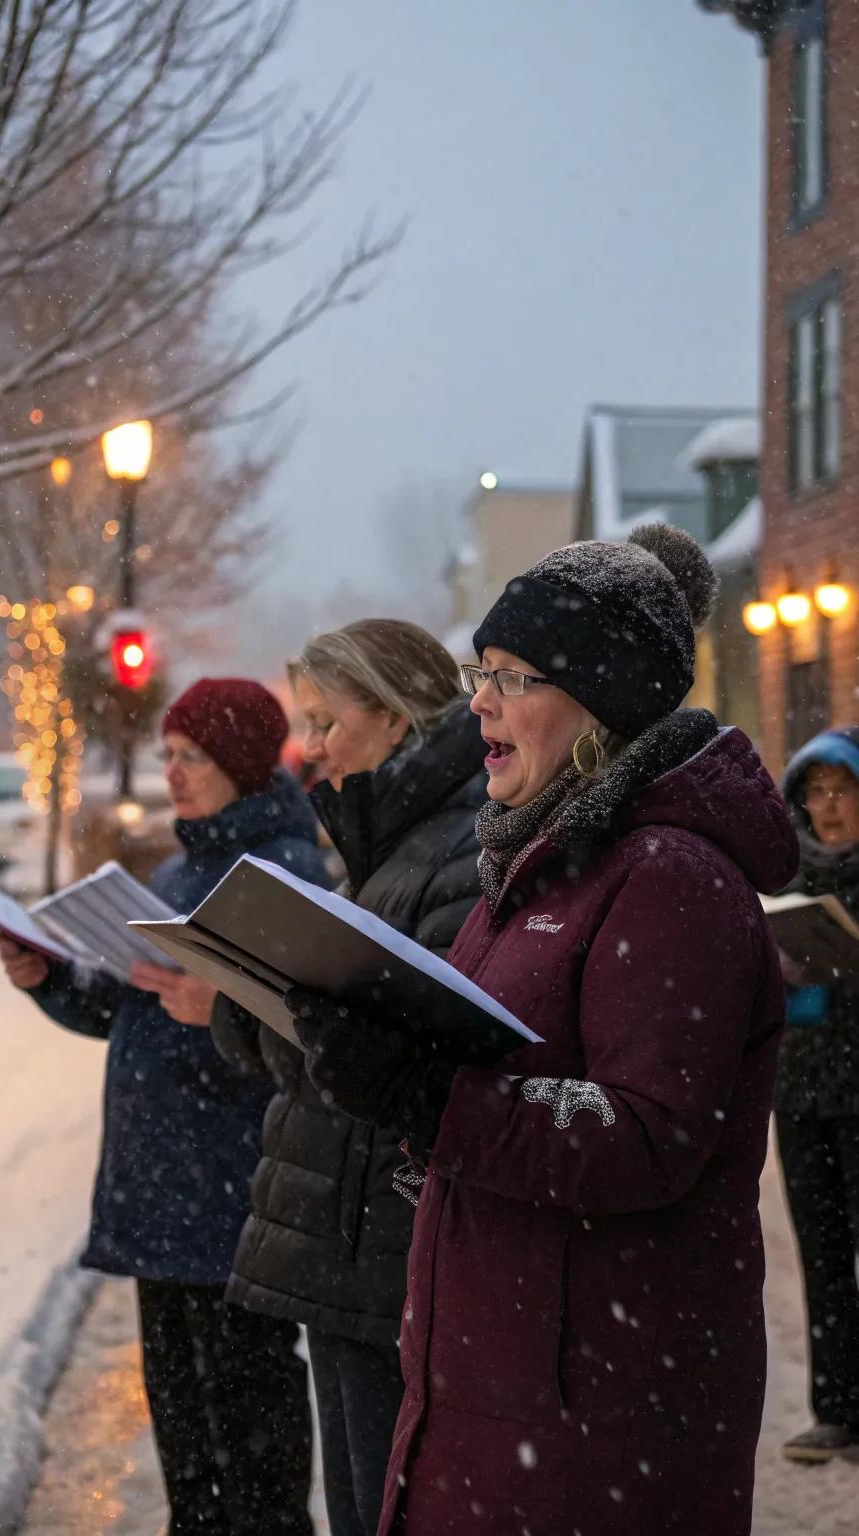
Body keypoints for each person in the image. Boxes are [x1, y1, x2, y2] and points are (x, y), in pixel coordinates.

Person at [287, 526, 800, 1536]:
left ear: (598, 699)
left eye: (512, 677)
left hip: (595, 1423)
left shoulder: (669, 877)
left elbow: (642, 1138)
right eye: (481, 674)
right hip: (498, 1392)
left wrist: (423, 1096)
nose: (478, 701)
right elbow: (496, 1069)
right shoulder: (535, 869)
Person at [0, 677, 329, 1536]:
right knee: (185, 1440)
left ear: (244, 764)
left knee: (248, 1441)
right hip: (164, 1199)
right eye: (169, 754)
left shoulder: (279, 876)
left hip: (232, 1201)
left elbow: (304, 1047)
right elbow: (129, 1008)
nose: (173, 772)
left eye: (195, 757)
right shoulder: (184, 867)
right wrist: (54, 979)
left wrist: (211, 1012)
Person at [206, 620, 486, 1536]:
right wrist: (248, 995)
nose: (311, 746)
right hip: (349, 1242)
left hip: (386, 1245)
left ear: (398, 721)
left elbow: (403, 1064)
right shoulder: (379, 843)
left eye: (326, 721)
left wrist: (289, 1015)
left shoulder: (453, 852)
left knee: (387, 1507)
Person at [775, 726, 859, 1463]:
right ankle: (836, 1409)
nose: (828, 807)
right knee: (823, 1253)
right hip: (800, 1091)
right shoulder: (791, 877)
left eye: (842, 789)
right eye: (815, 792)